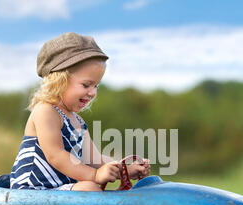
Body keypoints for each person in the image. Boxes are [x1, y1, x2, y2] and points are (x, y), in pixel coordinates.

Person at [10, 32, 150, 191]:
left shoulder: (78, 122)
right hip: (32, 190)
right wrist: (95, 175)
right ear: (59, 80)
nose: (93, 93)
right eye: (86, 85)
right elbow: (56, 156)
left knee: (89, 187)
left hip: (58, 190)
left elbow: (94, 159)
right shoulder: (45, 111)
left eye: (96, 86)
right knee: (89, 187)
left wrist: (125, 170)